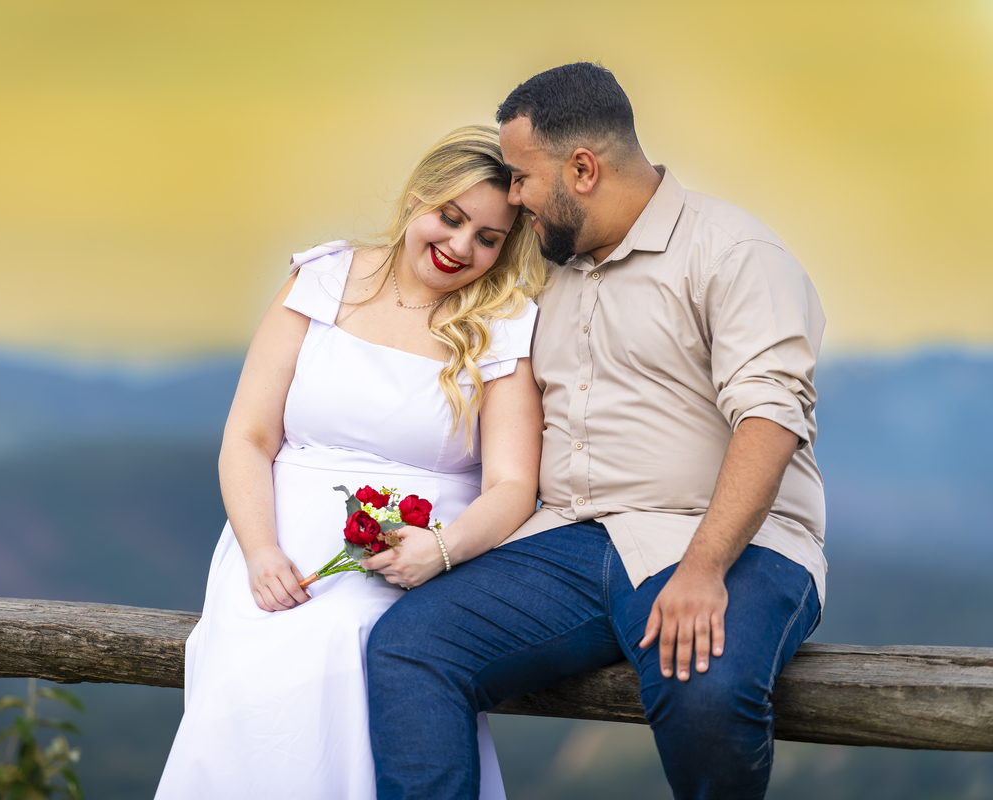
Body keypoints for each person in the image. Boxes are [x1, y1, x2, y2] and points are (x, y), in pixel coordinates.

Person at [367, 63, 827, 799]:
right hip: (571, 539)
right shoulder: (546, 273)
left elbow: (771, 418)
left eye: (520, 177)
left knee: (704, 691)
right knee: (409, 648)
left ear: (581, 169)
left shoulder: (736, 253)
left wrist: (703, 570)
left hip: (724, 541)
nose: (512, 198)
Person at [153, 126, 547, 800]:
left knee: (363, 646)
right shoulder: (322, 280)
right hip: (282, 549)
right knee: (268, 664)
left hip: (420, 564)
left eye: (488, 238)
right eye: (450, 218)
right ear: (418, 198)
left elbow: (514, 486)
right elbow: (248, 436)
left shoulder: (504, 323)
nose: (460, 247)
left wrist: (442, 552)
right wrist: (259, 551)